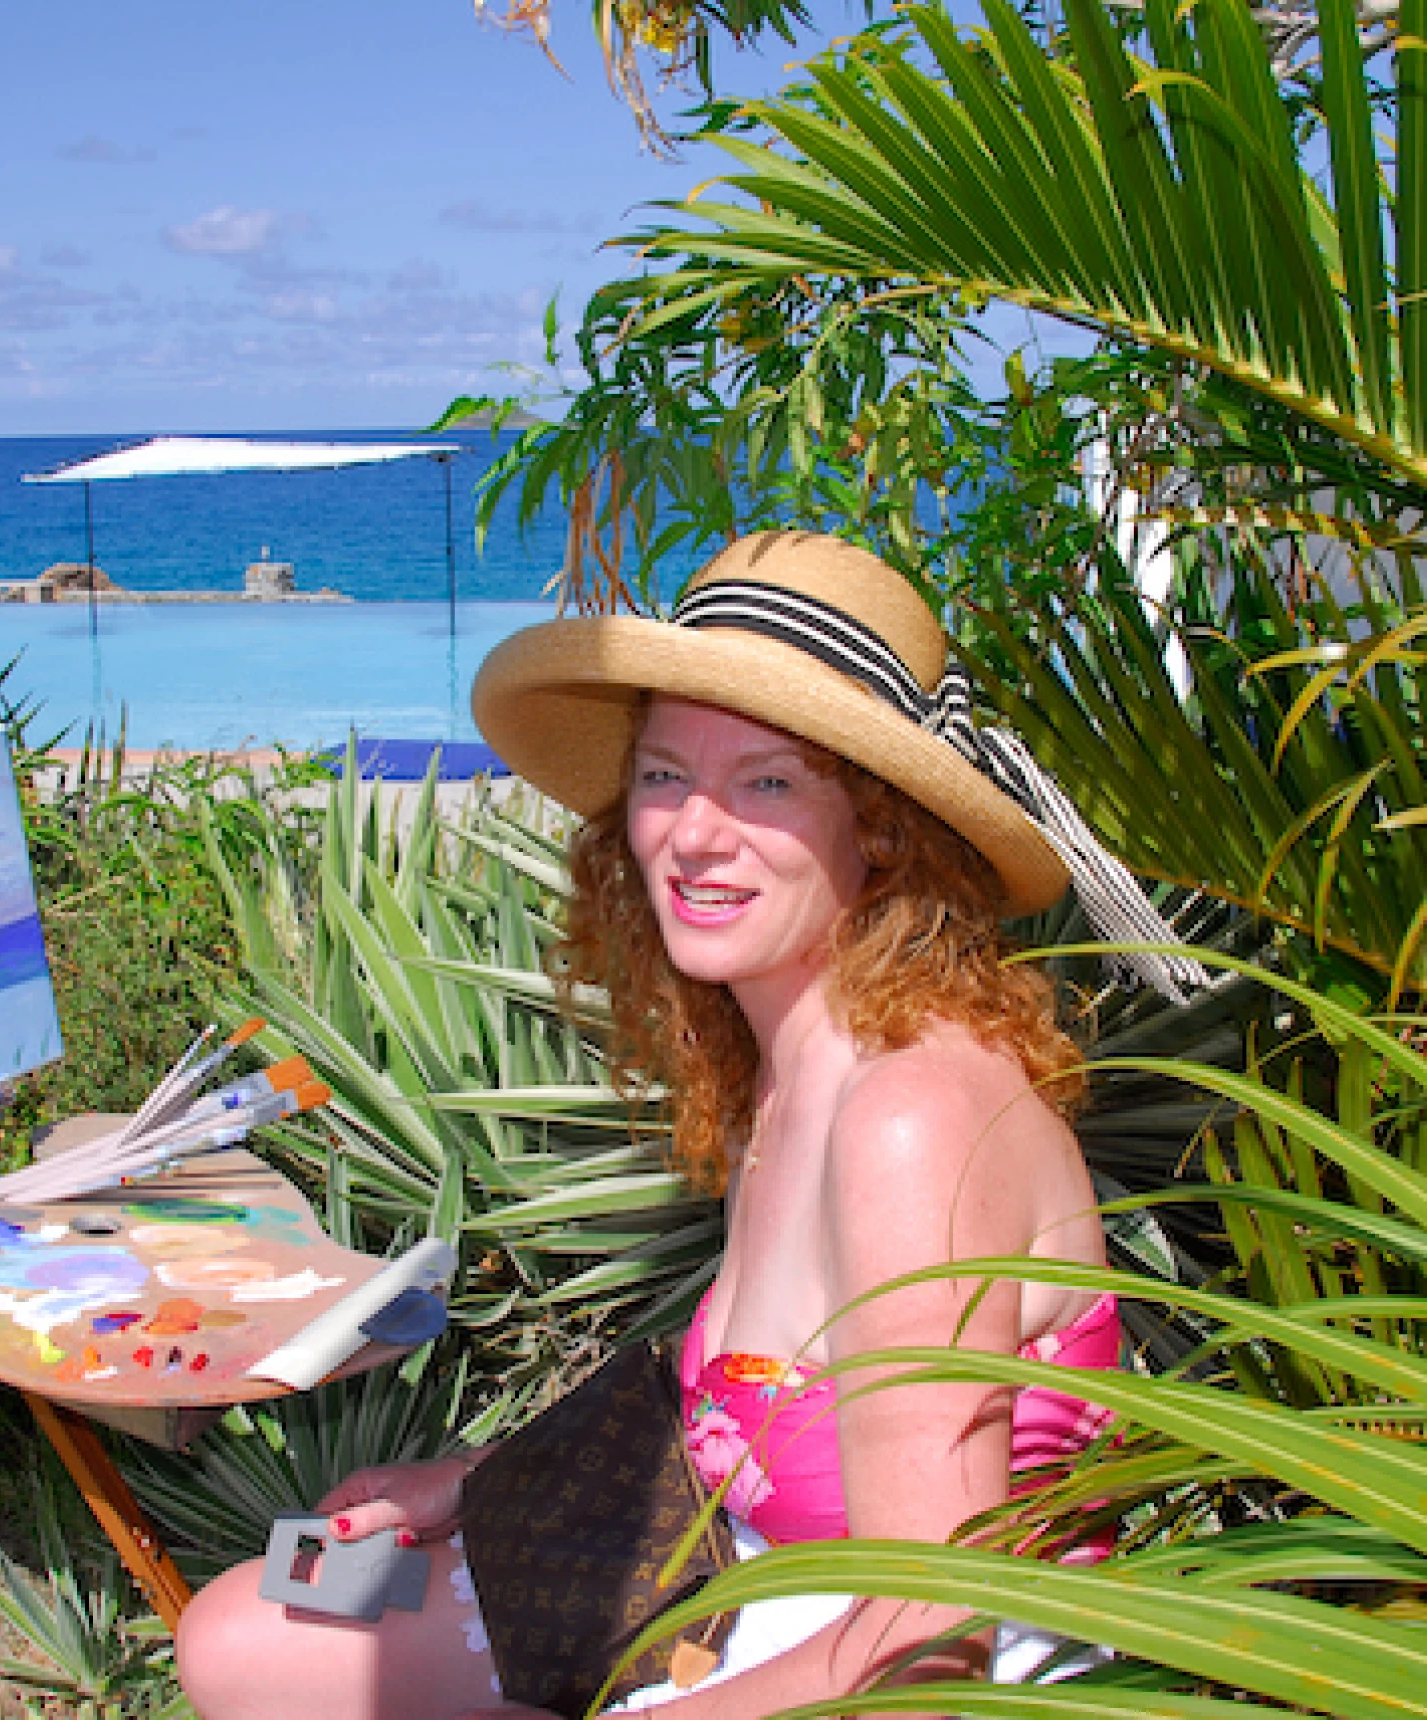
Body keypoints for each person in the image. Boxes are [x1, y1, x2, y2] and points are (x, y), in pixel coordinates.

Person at [176, 532, 1156, 1720]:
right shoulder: (788, 1058)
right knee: (252, 1624)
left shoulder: (910, 1119)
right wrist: (477, 1482)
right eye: (662, 775)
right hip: (726, 1568)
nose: (693, 834)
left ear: (883, 829)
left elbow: (928, 1644)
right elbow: (746, 1418)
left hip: (897, 1668)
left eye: (769, 781)